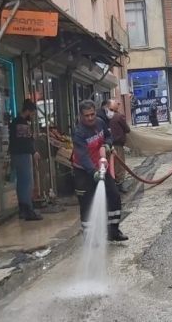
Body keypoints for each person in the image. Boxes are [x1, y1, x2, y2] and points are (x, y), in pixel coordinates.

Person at [72, 100, 128, 241]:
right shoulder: (79, 133)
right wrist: (94, 172)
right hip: (84, 172)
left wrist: (107, 145)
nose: (90, 118)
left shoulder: (100, 122)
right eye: (87, 116)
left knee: (114, 196)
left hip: (101, 166)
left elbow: (109, 136)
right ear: (81, 116)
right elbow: (83, 156)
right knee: (87, 203)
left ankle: (113, 231)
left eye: (92, 114)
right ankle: (90, 237)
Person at [9, 99, 43, 221]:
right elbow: (25, 141)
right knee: (26, 182)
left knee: (21, 183)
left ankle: (23, 209)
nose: (33, 116)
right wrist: (34, 152)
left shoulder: (15, 122)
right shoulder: (21, 123)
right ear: (28, 111)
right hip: (22, 155)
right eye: (32, 113)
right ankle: (27, 210)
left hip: (16, 154)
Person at [109, 99, 130, 189]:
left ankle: (113, 182)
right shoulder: (118, 116)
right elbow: (127, 129)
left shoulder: (104, 117)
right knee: (119, 165)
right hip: (117, 144)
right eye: (117, 105)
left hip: (108, 145)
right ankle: (119, 184)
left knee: (111, 164)